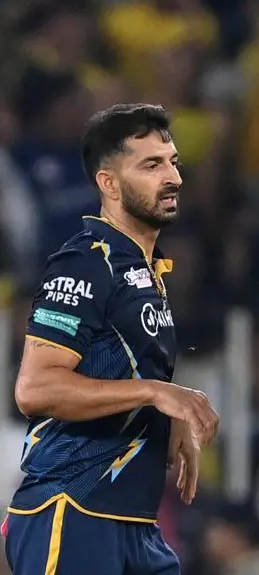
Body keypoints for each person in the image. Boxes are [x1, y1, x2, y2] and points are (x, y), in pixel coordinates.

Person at [3, 104, 220, 575]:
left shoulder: (145, 271)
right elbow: (36, 389)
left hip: (135, 524)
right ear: (109, 183)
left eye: (173, 162)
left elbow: (116, 371)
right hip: (73, 511)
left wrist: (166, 417)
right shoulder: (86, 263)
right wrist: (159, 393)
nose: (173, 178)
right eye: (151, 165)